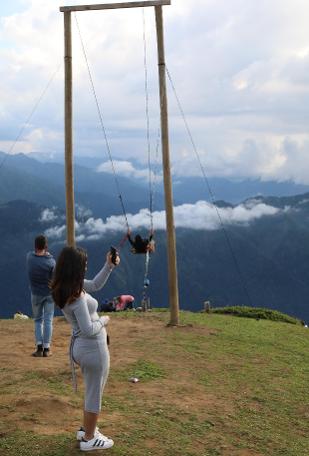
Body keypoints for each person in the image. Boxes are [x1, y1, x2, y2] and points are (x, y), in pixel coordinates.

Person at [51, 246, 120, 452]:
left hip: (81, 348)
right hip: (92, 348)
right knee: (94, 393)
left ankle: (86, 429)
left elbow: (96, 284)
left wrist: (109, 266)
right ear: (75, 268)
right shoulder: (78, 297)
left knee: (92, 390)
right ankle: (89, 438)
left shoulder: (66, 288)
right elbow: (89, 329)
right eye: (84, 264)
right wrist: (105, 320)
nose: (86, 266)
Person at [27, 234, 55, 357]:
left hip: (36, 294)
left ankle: (39, 348)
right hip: (49, 294)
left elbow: (33, 255)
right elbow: (54, 279)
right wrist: (49, 255)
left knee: (38, 320)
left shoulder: (29, 258)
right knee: (48, 320)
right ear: (46, 246)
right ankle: (47, 349)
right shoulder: (51, 262)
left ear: (35, 246)